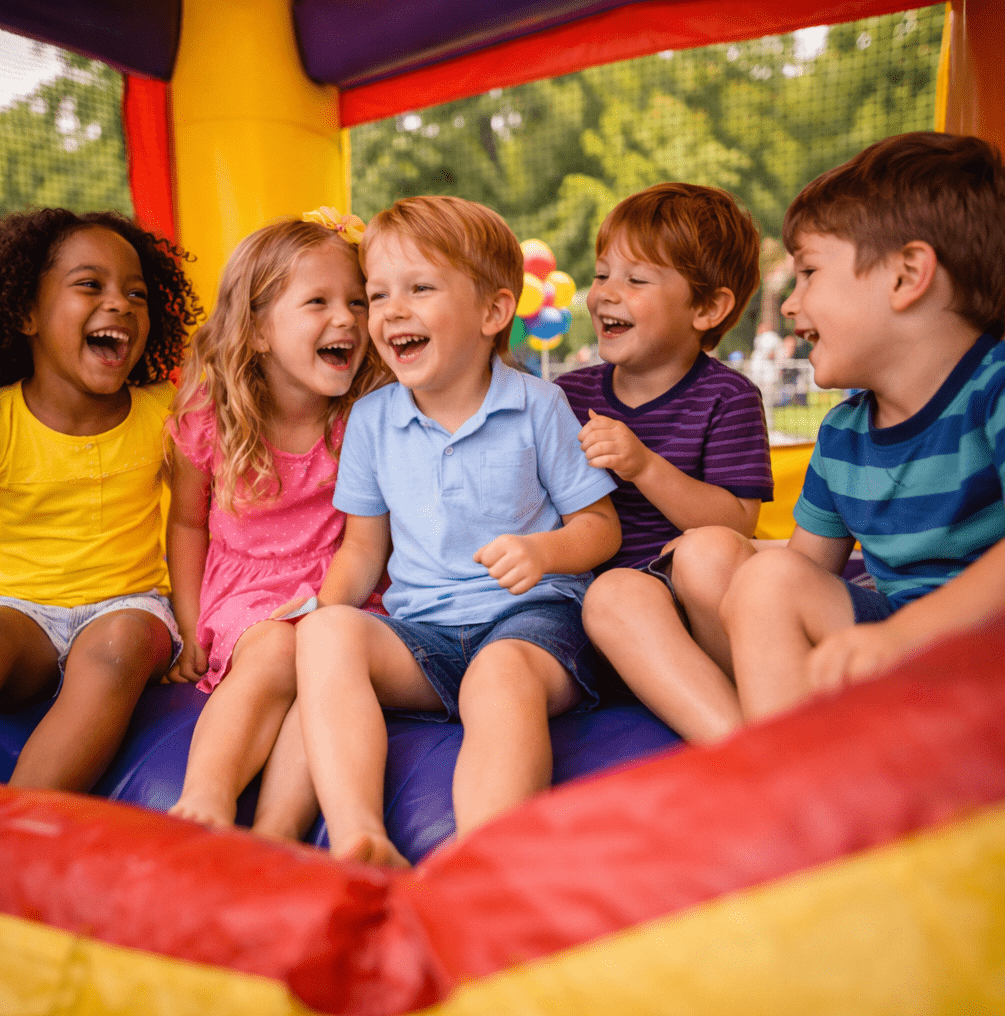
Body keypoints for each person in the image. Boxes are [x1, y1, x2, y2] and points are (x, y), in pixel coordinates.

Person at [295, 196, 621, 866]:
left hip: (533, 625)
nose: (390, 312)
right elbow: (363, 548)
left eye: (419, 288)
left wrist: (544, 551)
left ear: (493, 312)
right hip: (426, 639)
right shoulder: (373, 419)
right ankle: (362, 839)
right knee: (324, 633)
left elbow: (600, 526)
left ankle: (482, 861)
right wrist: (325, 616)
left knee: (498, 676)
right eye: (377, 294)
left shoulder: (537, 406)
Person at [717, 131, 1005, 721]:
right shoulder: (844, 435)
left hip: (985, 647)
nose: (792, 305)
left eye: (809, 274)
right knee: (766, 581)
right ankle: (792, 780)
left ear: (906, 276)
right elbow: (799, 573)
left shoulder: (994, 386)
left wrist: (905, 637)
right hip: (897, 647)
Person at [166, 213, 390, 838]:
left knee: (323, 669)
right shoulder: (213, 416)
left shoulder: (364, 418)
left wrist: (328, 604)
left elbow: (369, 540)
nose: (346, 319)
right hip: (250, 592)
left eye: (356, 301)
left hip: (344, 587)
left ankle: (277, 831)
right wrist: (189, 627)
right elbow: (187, 525)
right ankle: (205, 798)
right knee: (276, 653)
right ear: (258, 330)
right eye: (317, 302)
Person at [0, 208, 197, 791]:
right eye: (89, 285)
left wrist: (195, 625)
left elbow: (195, 521)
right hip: (17, 614)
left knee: (116, 646)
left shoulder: (163, 412)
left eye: (137, 293)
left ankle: (19, 827)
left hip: (130, 606)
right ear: (26, 312)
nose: (121, 304)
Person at [560, 183, 773, 743]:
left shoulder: (727, 397)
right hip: (610, 614)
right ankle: (739, 742)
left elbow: (735, 521)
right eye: (603, 274)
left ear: (708, 307)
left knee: (707, 551)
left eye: (635, 280)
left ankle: (756, 719)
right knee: (615, 593)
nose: (606, 293)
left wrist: (644, 465)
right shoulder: (567, 394)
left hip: (697, 610)